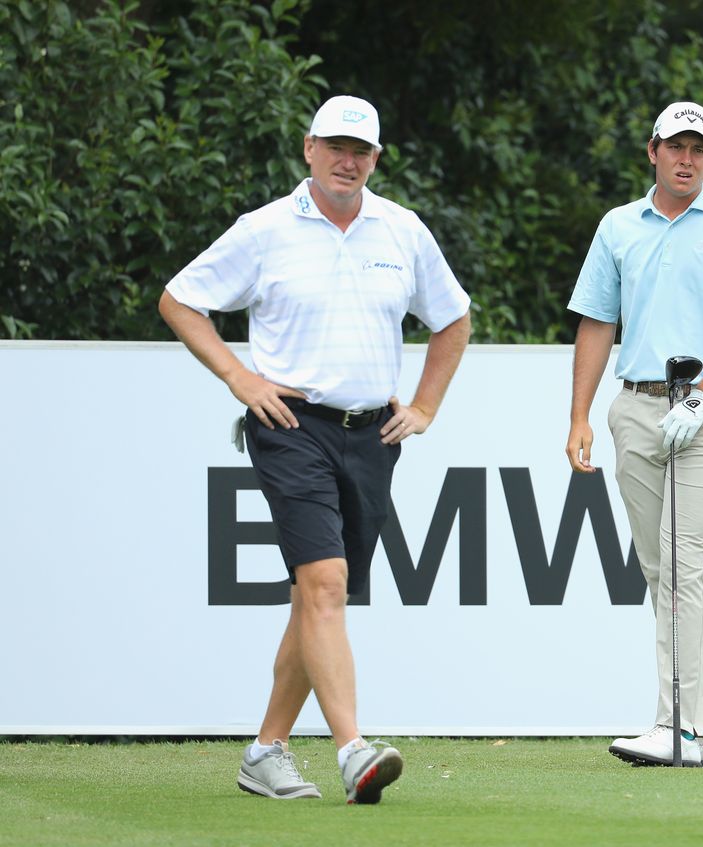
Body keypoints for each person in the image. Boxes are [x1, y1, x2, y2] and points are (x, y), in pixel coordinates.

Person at [159, 95, 471, 802]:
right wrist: (240, 376)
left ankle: (265, 752)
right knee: (325, 583)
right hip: (291, 426)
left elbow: (453, 318)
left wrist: (424, 406)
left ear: (376, 159)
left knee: (316, 598)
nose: (347, 160)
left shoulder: (402, 230)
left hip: (372, 436)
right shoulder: (265, 229)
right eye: (335, 145)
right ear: (308, 148)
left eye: (360, 150)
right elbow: (180, 298)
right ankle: (353, 748)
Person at [564, 101, 703, 767]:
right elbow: (596, 321)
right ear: (651, 150)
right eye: (676, 146)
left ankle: (675, 725)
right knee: (665, 576)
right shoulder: (619, 226)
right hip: (636, 408)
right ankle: (700, 732)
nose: (687, 159)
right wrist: (580, 416)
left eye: (699, 149)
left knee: (682, 565)